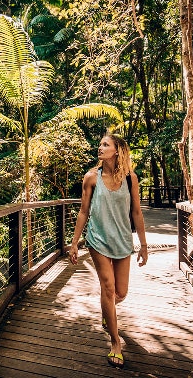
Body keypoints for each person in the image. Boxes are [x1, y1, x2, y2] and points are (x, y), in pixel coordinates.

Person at [68, 133, 148, 369]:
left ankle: (107, 311)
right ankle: (115, 342)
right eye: (101, 144)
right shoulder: (91, 177)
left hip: (122, 241)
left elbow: (137, 213)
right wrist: (74, 242)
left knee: (120, 293)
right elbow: (83, 211)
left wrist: (143, 245)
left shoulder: (131, 178)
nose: (100, 147)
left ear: (117, 150)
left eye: (106, 145)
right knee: (108, 286)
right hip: (98, 239)